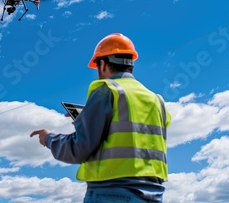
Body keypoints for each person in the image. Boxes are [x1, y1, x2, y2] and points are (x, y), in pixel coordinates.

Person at [31, 33, 171, 203]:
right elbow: (133, 132)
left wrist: (48, 138)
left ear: (102, 64)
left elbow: (78, 149)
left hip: (111, 194)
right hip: (154, 194)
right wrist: (87, 119)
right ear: (131, 64)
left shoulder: (106, 90)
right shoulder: (157, 101)